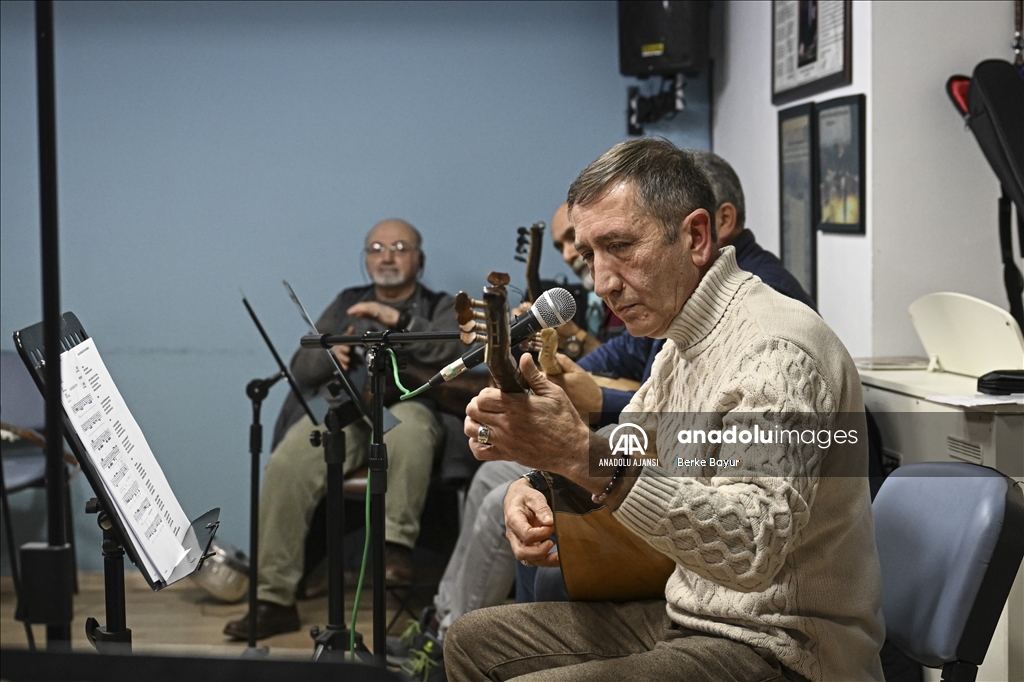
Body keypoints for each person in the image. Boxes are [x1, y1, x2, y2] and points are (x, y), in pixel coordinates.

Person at [448, 139, 884, 681]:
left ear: (697, 236)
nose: (603, 281)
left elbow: (751, 548)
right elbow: (629, 446)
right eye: (590, 256)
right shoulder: (683, 342)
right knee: (471, 640)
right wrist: (536, 481)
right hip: (689, 617)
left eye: (621, 246)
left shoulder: (777, 350)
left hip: (783, 646)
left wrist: (578, 453)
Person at [224, 218, 463, 641]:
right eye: (376, 248)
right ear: (366, 258)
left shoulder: (439, 303)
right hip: (348, 406)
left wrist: (395, 319)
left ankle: (394, 551)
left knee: (410, 434)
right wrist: (330, 351)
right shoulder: (346, 301)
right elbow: (303, 366)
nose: (386, 256)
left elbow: (453, 349)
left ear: (419, 260)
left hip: (405, 405)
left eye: (399, 246)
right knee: (288, 461)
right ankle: (273, 599)